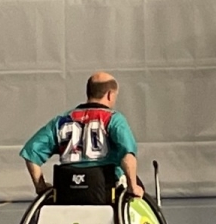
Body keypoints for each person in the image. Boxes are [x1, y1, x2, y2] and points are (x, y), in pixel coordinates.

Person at [20, 72, 143, 200]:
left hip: (67, 190)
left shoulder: (61, 121)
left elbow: (31, 152)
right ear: (110, 95)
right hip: (104, 191)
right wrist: (133, 187)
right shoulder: (114, 119)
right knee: (136, 183)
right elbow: (128, 158)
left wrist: (41, 187)